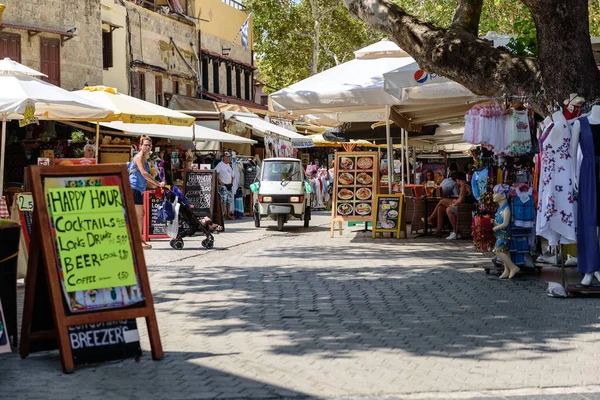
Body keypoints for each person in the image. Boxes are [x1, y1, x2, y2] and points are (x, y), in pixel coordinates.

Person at [129, 136, 166, 250]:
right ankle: (138, 240)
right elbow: (144, 174)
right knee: (139, 215)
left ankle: (136, 240)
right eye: (145, 145)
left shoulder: (145, 159)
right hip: (133, 188)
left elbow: (144, 177)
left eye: (149, 145)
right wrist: (158, 184)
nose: (147, 147)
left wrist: (153, 185)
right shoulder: (139, 157)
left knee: (138, 215)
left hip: (137, 189)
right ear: (140, 146)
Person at [492, 184, 520, 279]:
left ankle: (513, 267)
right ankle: (506, 270)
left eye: (496, 193)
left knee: (498, 250)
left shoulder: (506, 209)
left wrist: (496, 228)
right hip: (500, 234)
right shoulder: (501, 208)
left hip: (504, 234)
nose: (493, 195)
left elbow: (505, 223)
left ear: (503, 196)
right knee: (505, 252)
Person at [445, 172, 474, 239]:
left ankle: (455, 231)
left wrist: (453, 205)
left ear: (458, 180)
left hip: (465, 208)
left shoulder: (463, 186)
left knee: (448, 209)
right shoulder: (470, 184)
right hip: (469, 206)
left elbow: (460, 200)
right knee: (442, 207)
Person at [215, 151, 234, 219]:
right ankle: (222, 215)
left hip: (229, 185)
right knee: (223, 201)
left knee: (229, 201)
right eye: (227, 157)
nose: (229, 158)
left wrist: (232, 182)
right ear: (224, 158)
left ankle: (228, 214)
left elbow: (232, 175)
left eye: (229, 157)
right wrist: (219, 181)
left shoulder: (229, 165)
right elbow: (215, 173)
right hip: (223, 186)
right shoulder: (220, 165)